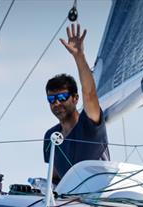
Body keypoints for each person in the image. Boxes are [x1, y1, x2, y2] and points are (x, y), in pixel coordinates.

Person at [43, 23, 109, 185]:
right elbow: (56, 179)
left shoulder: (89, 125)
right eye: (51, 99)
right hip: (68, 205)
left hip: (98, 201)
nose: (57, 103)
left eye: (62, 97)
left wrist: (79, 56)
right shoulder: (50, 137)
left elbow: (90, 93)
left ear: (75, 98)